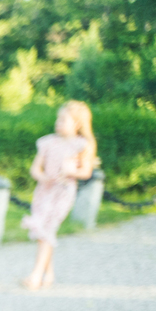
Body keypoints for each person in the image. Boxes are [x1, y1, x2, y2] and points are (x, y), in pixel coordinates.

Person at [20, 100, 97, 291]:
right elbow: (35, 168)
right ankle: (48, 274)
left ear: (77, 124)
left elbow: (86, 172)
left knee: (47, 229)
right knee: (44, 231)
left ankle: (36, 275)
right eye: (58, 119)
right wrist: (43, 177)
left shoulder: (82, 145)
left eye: (64, 120)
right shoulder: (48, 142)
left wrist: (71, 171)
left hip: (63, 191)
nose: (58, 123)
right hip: (44, 191)